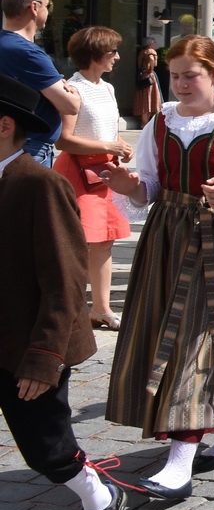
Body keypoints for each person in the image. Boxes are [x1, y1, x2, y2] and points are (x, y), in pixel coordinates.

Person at [103, 36, 214, 500]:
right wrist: (128, 185)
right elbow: (149, 187)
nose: (181, 84)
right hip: (165, 239)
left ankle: (179, 463)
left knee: (198, 341)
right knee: (167, 333)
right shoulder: (161, 122)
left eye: (191, 75)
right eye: (175, 75)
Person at [0, 74, 119, 510]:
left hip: (27, 345)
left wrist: (44, 356)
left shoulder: (40, 185)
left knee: (47, 449)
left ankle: (99, 498)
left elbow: (66, 280)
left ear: (4, 125)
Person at [52, 27, 132, 332]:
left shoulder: (108, 88)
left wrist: (119, 146)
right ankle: (68, 308)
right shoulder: (74, 89)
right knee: (77, 241)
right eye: (113, 51)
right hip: (77, 171)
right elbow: (64, 139)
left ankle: (101, 308)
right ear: (96, 54)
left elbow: (106, 132)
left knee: (105, 240)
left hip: (105, 171)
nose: (117, 57)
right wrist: (110, 145)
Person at [0, 0, 81, 165]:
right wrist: (74, 94)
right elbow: (70, 106)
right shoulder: (28, 52)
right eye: (48, 5)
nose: (49, 11)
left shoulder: (6, 44)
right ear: (34, 7)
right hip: (30, 148)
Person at [134, 42, 162, 127]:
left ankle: (144, 122)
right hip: (149, 76)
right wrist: (151, 69)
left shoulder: (142, 52)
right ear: (150, 45)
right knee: (149, 98)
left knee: (144, 98)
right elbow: (151, 59)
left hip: (142, 75)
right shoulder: (150, 51)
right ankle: (145, 123)